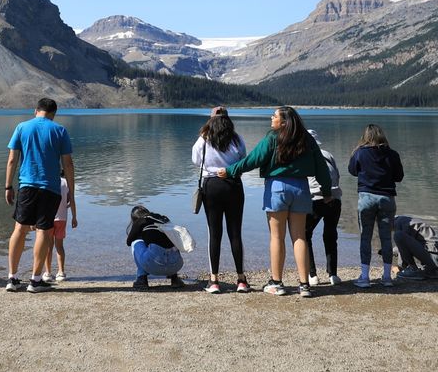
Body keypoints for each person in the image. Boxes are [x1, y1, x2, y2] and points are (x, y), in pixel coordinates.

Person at [224, 106, 332, 298]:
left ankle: (276, 282)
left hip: (277, 188)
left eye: (274, 116)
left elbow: (253, 159)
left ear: (283, 122)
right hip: (301, 188)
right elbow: (321, 167)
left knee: (276, 237)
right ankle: (304, 285)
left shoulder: (273, 137)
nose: (271, 118)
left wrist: (231, 170)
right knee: (300, 237)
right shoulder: (306, 138)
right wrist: (326, 190)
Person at [5, 97, 77, 293]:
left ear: (35, 110)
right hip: (50, 188)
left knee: (19, 229)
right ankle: (35, 281)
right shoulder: (59, 130)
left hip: (26, 186)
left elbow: (12, 159)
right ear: (53, 114)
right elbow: (68, 165)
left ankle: (12, 278)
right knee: (43, 231)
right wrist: (71, 190)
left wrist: (8, 186)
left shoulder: (22, 127)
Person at [191, 109, 250, 294]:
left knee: (214, 234)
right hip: (233, 185)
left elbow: (195, 160)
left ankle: (214, 280)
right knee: (235, 233)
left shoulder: (204, 138)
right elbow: (243, 159)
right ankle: (241, 279)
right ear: (227, 120)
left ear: (211, 120)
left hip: (212, 186)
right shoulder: (237, 139)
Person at [347, 124, 404, 289]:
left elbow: (352, 170)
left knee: (366, 236)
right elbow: (399, 177)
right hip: (386, 198)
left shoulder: (360, 153)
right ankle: (386, 277)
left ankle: (365, 277)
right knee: (386, 238)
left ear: (366, 136)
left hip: (366, 197)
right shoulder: (392, 154)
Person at [305, 130, 342, 287]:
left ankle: (312, 274)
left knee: (305, 235)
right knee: (330, 235)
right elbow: (337, 175)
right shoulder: (328, 154)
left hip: (316, 198)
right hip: (335, 199)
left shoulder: (304, 156)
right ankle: (333, 274)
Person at [126, 205, 185, 290]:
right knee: (170, 240)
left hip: (154, 266)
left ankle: (141, 279)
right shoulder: (163, 219)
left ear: (134, 218)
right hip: (176, 265)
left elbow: (128, 242)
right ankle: (175, 279)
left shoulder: (140, 221)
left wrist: (139, 233)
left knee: (135, 242)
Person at [42, 172, 71, 282]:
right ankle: (61, 272)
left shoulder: (47, 182)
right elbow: (68, 199)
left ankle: (48, 273)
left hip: (49, 218)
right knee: (60, 246)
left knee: (49, 247)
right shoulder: (65, 182)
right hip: (62, 218)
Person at [393, 215, 438, 281]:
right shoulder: (406, 220)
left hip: (434, 259)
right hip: (434, 257)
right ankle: (432, 271)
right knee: (399, 236)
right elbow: (408, 244)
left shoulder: (398, 222)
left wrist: (401, 267)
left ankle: (413, 270)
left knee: (398, 235)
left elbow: (403, 244)